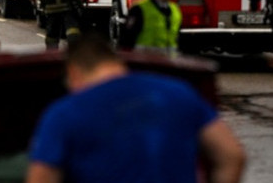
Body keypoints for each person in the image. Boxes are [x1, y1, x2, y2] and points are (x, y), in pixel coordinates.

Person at [26, 32, 246, 183]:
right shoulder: (179, 92)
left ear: (74, 72)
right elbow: (232, 155)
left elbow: (42, 177)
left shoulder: (65, 113)